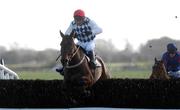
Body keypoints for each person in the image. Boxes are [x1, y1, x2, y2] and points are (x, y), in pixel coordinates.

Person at [56, 9, 102, 75]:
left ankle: (93, 62)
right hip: (80, 42)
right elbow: (67, 32)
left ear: (83, 18)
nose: (77, 21)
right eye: (76, 19)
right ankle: (64, 68)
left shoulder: (90, 22)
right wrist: (69, 37)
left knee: (89, 48)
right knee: (71, 50)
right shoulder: (72, 23)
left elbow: (100, 30)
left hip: (90, 41)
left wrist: (91, 32)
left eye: (79, 19)